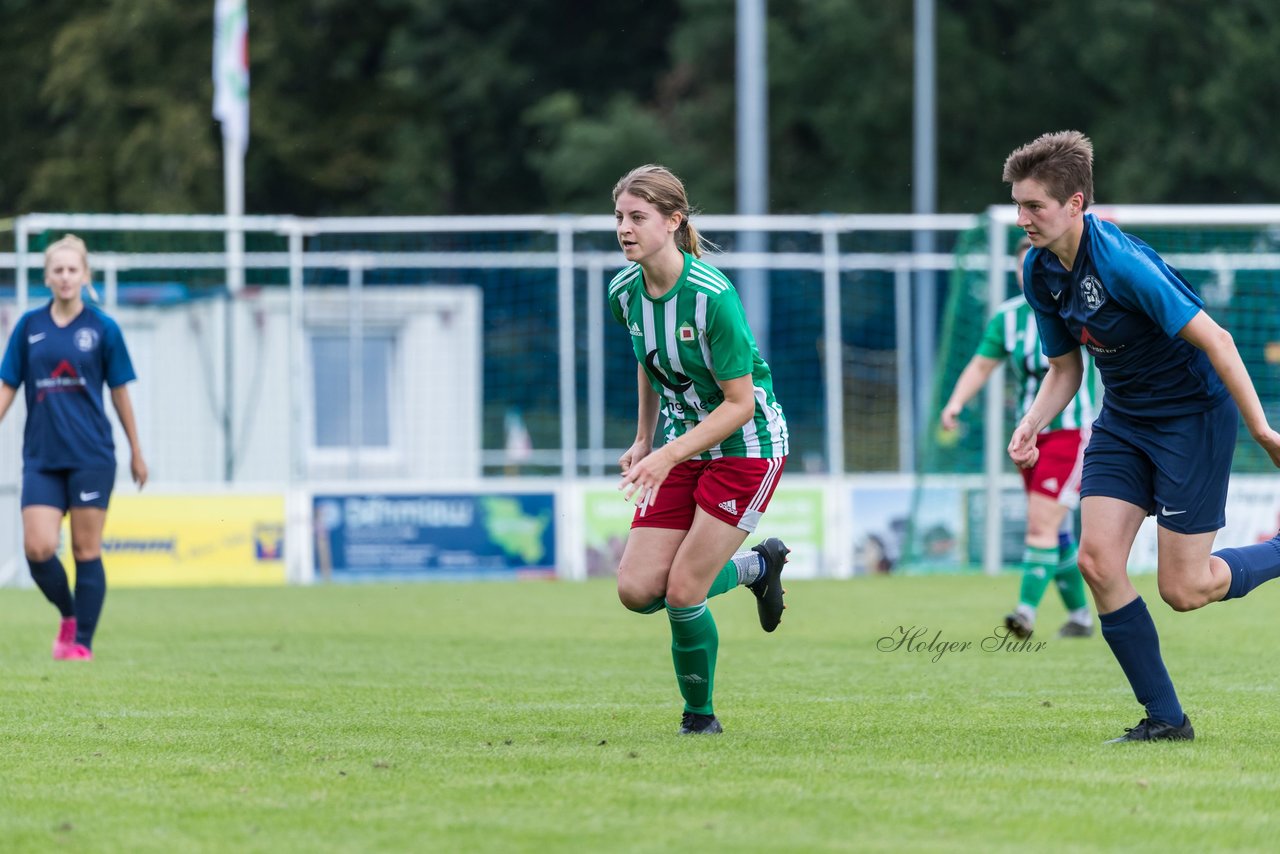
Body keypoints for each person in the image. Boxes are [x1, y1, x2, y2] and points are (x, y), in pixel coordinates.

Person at [1003, 130, 1280, 743]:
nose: (1022, 219)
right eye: (1018, 206)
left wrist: (1262, 430)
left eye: (1034, 207)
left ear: (1076, 203)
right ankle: (1166, 719)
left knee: (1186, 588)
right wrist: (1031, 422)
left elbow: (1220, 342)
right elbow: (1066, 368)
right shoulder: (1039, 268)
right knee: (1097, 561)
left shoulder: (1123, 263)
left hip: (1193, 421)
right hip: (1124, 422)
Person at [608, 164, 790, 736]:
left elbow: (739, 404)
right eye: (619, 217)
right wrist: (644, 438)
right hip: (683, 449)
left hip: (747, 449)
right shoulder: (623, 291)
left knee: (685, 591)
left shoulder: (713, 297)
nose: (624, 229)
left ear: (673, 220)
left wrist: (666, 455)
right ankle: (757, 567)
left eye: (638, 217)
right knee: (637, 591)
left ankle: (699, 718)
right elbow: (648, 363)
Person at [0, 234, 148, 661]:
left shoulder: (104, 329)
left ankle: (81, 643)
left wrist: (137, 450)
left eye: (72, 270)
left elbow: (120, 392)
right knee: (38, 548)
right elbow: (8, 386)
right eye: (58, 270)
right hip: (42, 457)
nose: (65, 277)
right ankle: (68, 615)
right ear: (47, 277)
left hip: (91, 456)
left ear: (85, 276)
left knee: (86, 550)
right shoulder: (29, 327)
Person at [941, 236, 1096, 640]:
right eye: (1028, 266)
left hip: (1071, 434)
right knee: (1053, 531)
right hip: (1029, 437)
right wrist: (955, 404)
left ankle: (1024, 613)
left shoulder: (1078, 308)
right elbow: (980, 365)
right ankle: (1080, 616)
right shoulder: (1008, 318)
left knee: (1040, 526)